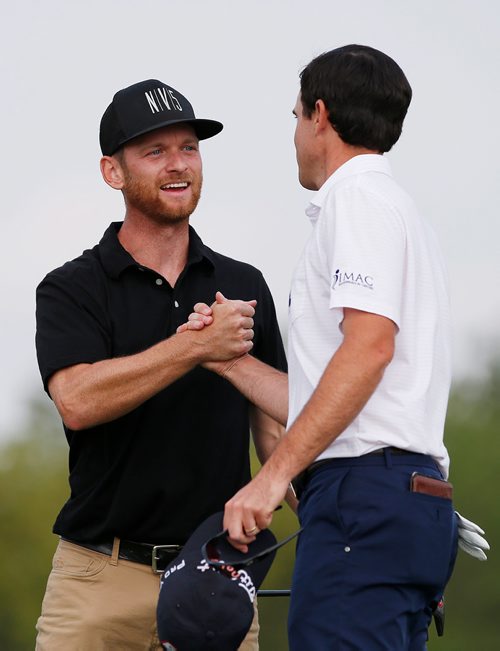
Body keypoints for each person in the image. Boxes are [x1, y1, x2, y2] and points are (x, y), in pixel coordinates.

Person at [179, 45, 462, 649]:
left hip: (363, 496)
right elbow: (332, 392)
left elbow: (367, 351)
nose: (296, 132)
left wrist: (272, 477)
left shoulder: (355, 202)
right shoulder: (400, 211)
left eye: (295, 115)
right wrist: (226, 358)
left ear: (321, 116)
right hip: (409, 501)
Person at [34, 79, 287, 650]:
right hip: (98, 580)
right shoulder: (71, 288)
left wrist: (339, 517)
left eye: (189, 148)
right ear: (112, 172)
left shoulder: (242, 285)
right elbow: (77, 401)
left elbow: (275, 431)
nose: (178, 166)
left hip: (216, 581)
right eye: (155, 152)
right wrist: (196, 346)